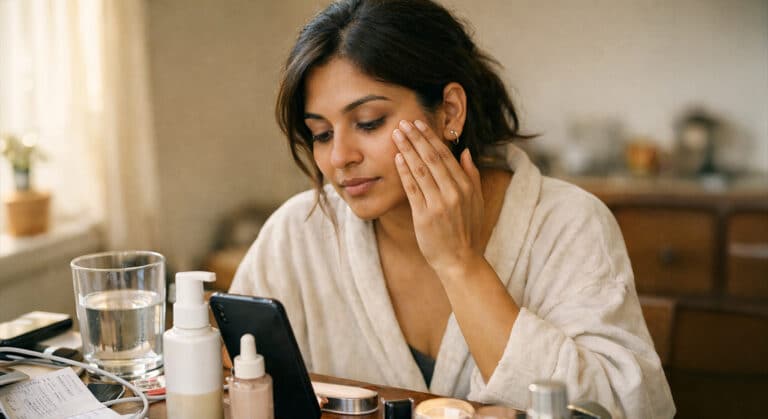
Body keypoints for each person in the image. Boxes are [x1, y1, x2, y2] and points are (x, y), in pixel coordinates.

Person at [229, 0, 675, 417]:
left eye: (368, 123)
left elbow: (627, 408)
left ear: (449, 112)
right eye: (322, 134)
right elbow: (231, 380)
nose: (340, 156)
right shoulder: (299, 231)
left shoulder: (567, 223)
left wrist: (460, 264)